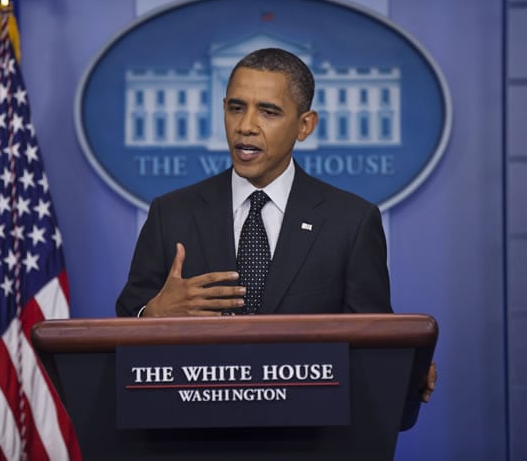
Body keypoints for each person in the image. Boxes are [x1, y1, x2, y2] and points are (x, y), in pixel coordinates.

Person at [115, 47, 435, 401]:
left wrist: (408, 368)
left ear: (304, 126)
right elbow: (129, 320)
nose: (246, 126)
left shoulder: (352, 222)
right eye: (236, 108)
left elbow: (373, 343)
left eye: (268, 112)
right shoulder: (170, 213)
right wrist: (155, 314)